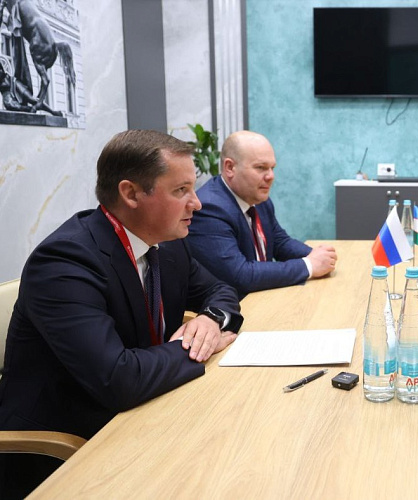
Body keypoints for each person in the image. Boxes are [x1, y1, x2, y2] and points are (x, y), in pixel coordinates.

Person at [0, 130, 243, 497]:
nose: (197, 204)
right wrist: (198, 348)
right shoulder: (66, 261)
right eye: (181, 190)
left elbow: (221, 290)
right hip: (65, 448)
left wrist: (209, 320)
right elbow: (118, 379)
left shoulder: (167, 244)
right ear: (131, 194)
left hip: (145, 411)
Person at [187, 130, 337, 298]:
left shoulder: (257, 198)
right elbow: (240, 276)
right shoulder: (209, 208)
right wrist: (308, 265)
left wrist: (319, 256)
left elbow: (280, 242)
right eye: (261, 168)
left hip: (261, 299)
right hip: (235, 307)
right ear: (230, 168)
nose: (271, 176)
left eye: (272, 168)